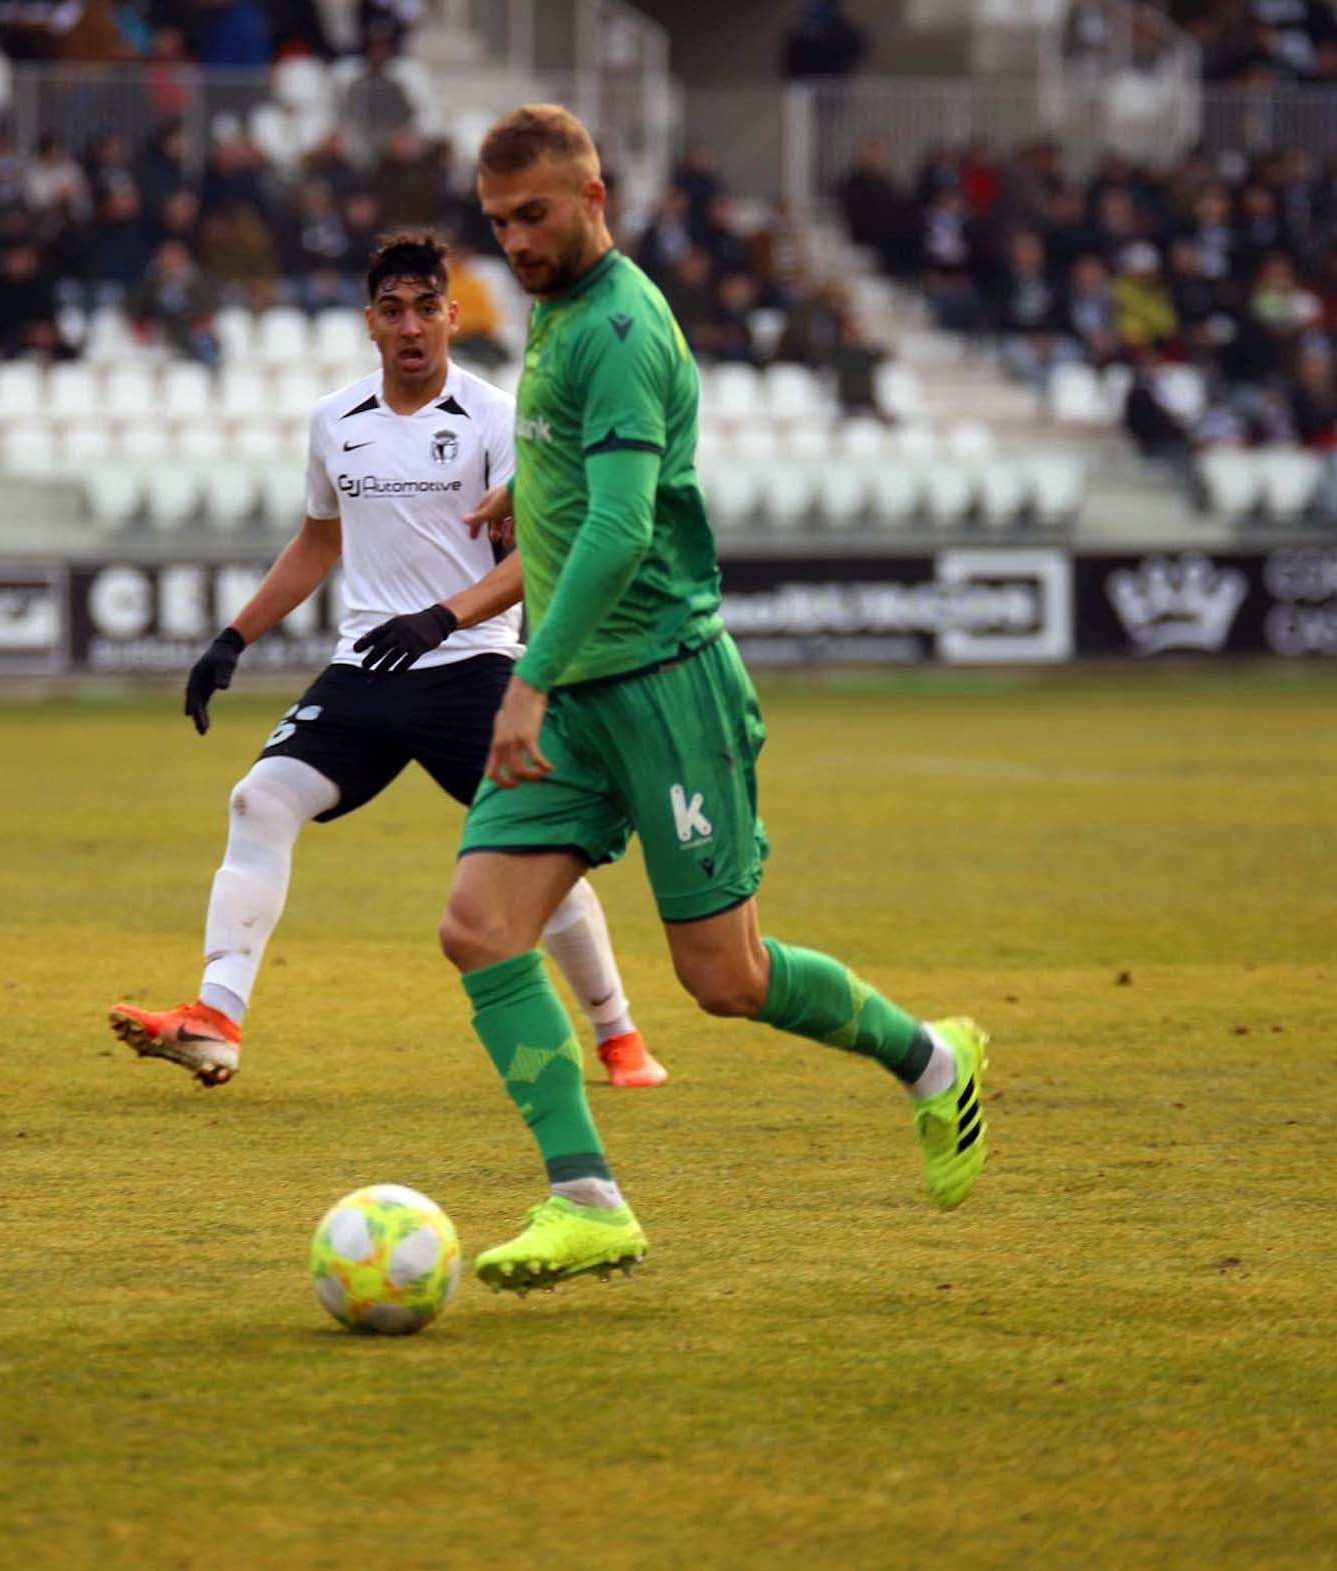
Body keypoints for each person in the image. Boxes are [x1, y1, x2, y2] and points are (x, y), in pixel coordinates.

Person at [445, 104, 989, 1295]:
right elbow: (582, 484)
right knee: (480, 926)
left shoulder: (624, 326)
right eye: (497, 224)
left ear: (595, 196)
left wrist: (525, 678)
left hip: (662, 688)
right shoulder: (553, 309)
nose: (516, 242)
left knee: (723, 980)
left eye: (534, 216)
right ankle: (587, 1200)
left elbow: (628, 526)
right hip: (584, 694)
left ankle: (933, 1059)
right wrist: (526, 499)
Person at [109, 230, 668, 1095]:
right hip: (367, 668)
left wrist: (441, 617)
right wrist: (233, 638)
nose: (411, 326)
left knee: (536, 854)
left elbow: (542, 553)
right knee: (258, 799)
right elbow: (317, 542)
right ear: (371, 323)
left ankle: (618, 1034)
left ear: (451, 315)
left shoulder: (499, 416)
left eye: (426, 308)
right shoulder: (336, 421)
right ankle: (216, 1020)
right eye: (393, 310)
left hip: (475, 667)